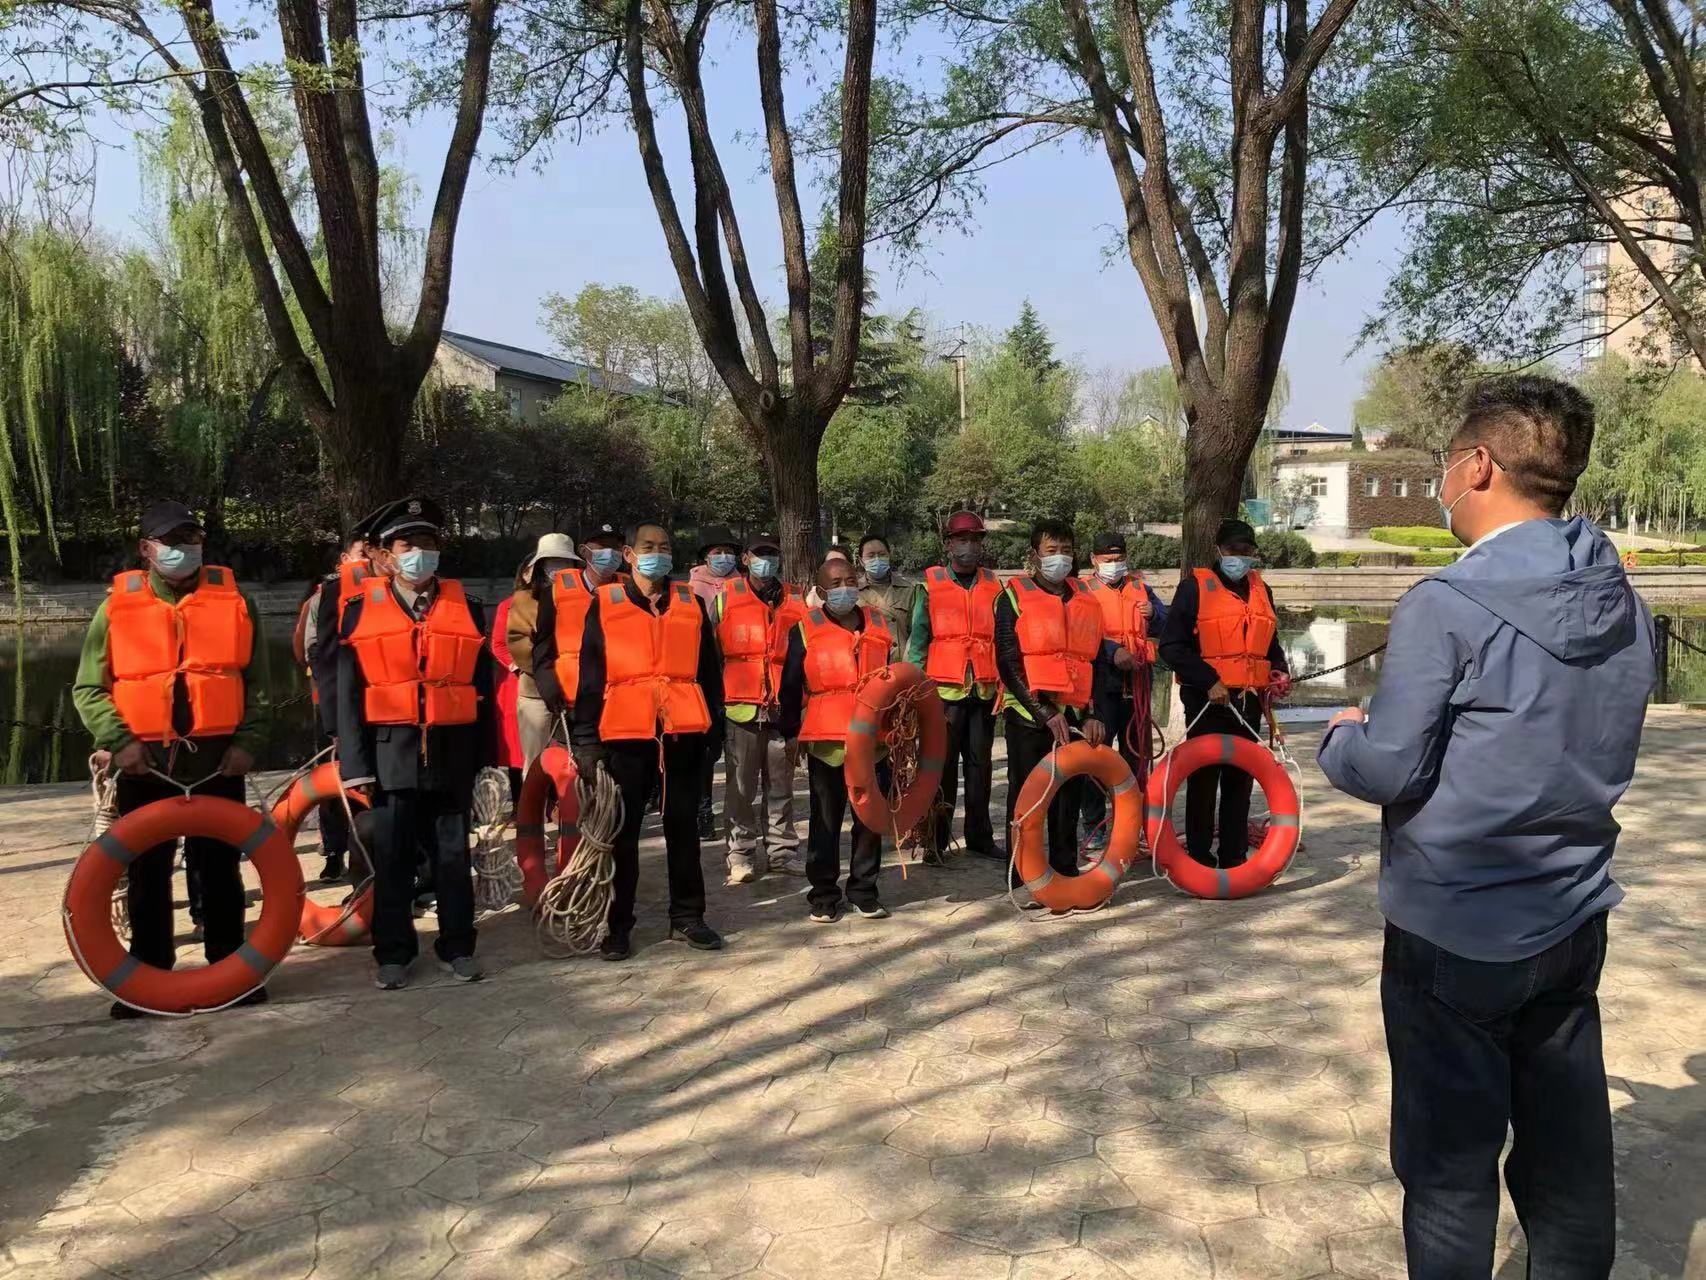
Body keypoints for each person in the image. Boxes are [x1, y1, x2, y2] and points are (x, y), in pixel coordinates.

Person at [1317, 376, 1653, 1280]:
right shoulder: (1622, 598)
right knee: (1568, 1164)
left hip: (1455, 931)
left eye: (1443, 469)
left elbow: (1390, 767)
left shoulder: (1447, 604)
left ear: (1477, 465)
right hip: (1574, 916)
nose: (1441, 487)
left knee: (1449, 1176)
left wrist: (1340, 741)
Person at [71, 500, 271, 1019]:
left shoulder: (237, 602)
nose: (185, 548)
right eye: (172, 540)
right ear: (146, 548)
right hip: (145, 763)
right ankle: (149, 976)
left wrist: (248, 743)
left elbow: (259, 685)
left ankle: (231, 973)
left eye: (192, 538)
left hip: (217, 761)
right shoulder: (115, 609)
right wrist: (119, 741)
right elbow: (89, 689)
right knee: (146, 873)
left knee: (220, 870)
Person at [337, 497, 491, 989]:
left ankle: (458, 946)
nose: (419, 554)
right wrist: (355, 765)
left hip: (452, 749)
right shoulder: (358, 611)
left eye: (427, 543)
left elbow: (483, 688)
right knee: (393, 857)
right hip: (391, 752)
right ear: (386, 555)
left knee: (453, 856)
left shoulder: (468, 607)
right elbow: (347, 694)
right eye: (408, 545)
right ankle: (394, 952)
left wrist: (485, 757)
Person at [571, 521, 725, 960]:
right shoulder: (605, 605)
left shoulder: (691, 603)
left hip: (682, 733)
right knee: (623, 834)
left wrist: (714, 730)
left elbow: (709, 672)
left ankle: (688, 917)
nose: (658, 553)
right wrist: (586, 741)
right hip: (626, 735)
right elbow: (590, 677)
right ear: (629, 554)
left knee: (683, 827)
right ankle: (617, 925)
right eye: (648, 546)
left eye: (665, 546)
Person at [995, 520, 1124, 896]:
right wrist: (1044, 713)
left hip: (1076, 712)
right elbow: (1008, 662)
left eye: (1066, 550)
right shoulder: (1012, 597)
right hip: (1028, 715)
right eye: (1052, 551)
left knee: (1068, 796)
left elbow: (1096, 660)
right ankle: (1021, 874)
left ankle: (1064, 869)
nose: (1060, 558)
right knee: (1027, 796)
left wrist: (1094, 712)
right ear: (1034, 555)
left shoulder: (1086, 598)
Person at [1158, 518, 1290, 868]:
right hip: (1208, 702)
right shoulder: (1194, 589)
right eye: (1233, 549)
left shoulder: (1262, 589)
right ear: (1219, 550)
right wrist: (1208, 681)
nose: (1239, 556)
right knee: (1203, 782)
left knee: (1240, 782)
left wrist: (1279, 669)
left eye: (1246, 550)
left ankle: (1233, 857)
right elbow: (1171, 647)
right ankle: (1199, 859)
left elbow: (1271, 643)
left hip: (1248, 703)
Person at [777, 557, 895, 923]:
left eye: (850, 580)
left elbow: (894, 675)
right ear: (821, 591)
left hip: (874, 740)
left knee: (869, 819)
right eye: (835, 584)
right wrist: (790, 732)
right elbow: (790, 685)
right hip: (827, 741)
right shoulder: (804, 629)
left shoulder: (878, 624)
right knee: (825, 820)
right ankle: (824, 894)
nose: (845, 588)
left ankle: (864, 890)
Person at [709, 531, 806, 884]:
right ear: (746, 558)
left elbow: (808, 656)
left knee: (781, 787)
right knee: (741, 789)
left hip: (783, 709)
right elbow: (712, 656)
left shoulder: (796, 599)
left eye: (773, 554)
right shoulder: (725, 599)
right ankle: (740, 855)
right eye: (760, 554)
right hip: (741, 710)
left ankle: (782, 852)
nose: (768, 561)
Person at [907, 510, 1001, 861]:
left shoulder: (994, 586)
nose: (970, 546)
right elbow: (918, 642)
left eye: (975, 540)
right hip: (942, 694)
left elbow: (1003, 639)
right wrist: (914, 695)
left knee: (980, 768)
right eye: (963, 539)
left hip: (983, 691)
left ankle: (979, 836)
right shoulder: (929, 586)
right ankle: (936, 840)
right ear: (948, 544)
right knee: (940, 769)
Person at [1079, 531, 1169, 850]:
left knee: (1137, 758)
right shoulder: (1082, 591)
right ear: (1094, 560)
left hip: (1138, 685)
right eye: (1108, 559)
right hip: (1101, 684)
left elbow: (1166, 625)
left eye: (1119, 559)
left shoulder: (1141, 588)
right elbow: (1077, 632)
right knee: (1095, 756)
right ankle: (1094, 826)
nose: (1114, 564)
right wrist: (1111, 650)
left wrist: (1154, 615)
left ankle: (1131, 822)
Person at [531, 524, 622, 759]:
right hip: (572, 704)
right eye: (602, 546)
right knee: (575, 770)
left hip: (621, 702)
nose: (610, 553)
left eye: (615, 547)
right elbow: (542, 647)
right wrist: (550, 688)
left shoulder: (630, 590)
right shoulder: (555, 593)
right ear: (583, 551)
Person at [506, 532, 581, 768]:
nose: (557, 567)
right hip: (535, 692)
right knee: (536, 762)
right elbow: (518, 640)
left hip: (575, 692)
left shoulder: (583, 598)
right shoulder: (525, 598)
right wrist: (547, 673)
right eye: (551, 561)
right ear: (540, 565)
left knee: (573, 763)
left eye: (564, 561)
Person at [688, 526, 743, 837]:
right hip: (704, 678)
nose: (724, 557)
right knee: (706, 752)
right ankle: (703, 809)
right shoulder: (692, 589)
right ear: (704, 557)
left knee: (734, 751)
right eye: (717, 552)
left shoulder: (743, 586)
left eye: (728, 552)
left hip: (738, 680)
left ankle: (736, 814)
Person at [488, 559, 530, 794]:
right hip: (516, 684)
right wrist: (522, 668)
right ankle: (519, 804)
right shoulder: (508, 606)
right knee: (517, 748)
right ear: (523, 574)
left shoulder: (559, 604)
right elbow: (498, 644)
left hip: (553, 681)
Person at [856, 533, 917, 661]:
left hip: (902, 664)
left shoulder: (908, 589)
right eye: (871, 556)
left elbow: (917, 632)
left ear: (889, 556)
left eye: (882, 554)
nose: (877, 559)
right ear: (861, 561)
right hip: (870, 664)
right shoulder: (854, 592)